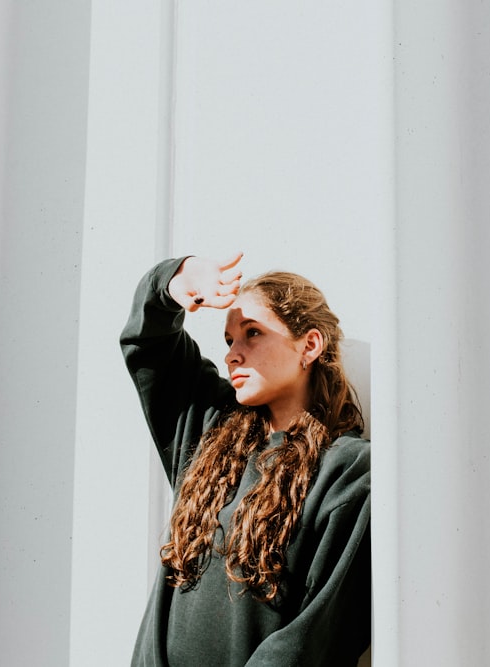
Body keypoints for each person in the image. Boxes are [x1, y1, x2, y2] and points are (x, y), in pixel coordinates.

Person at [120, 252, 371, 666]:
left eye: (252, 333)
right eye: (229, 340)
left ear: (309, 345)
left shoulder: (346, 472)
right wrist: (176, 278)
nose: (232, 354)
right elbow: (149, 344)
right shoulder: (210, 432)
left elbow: (317, 634)